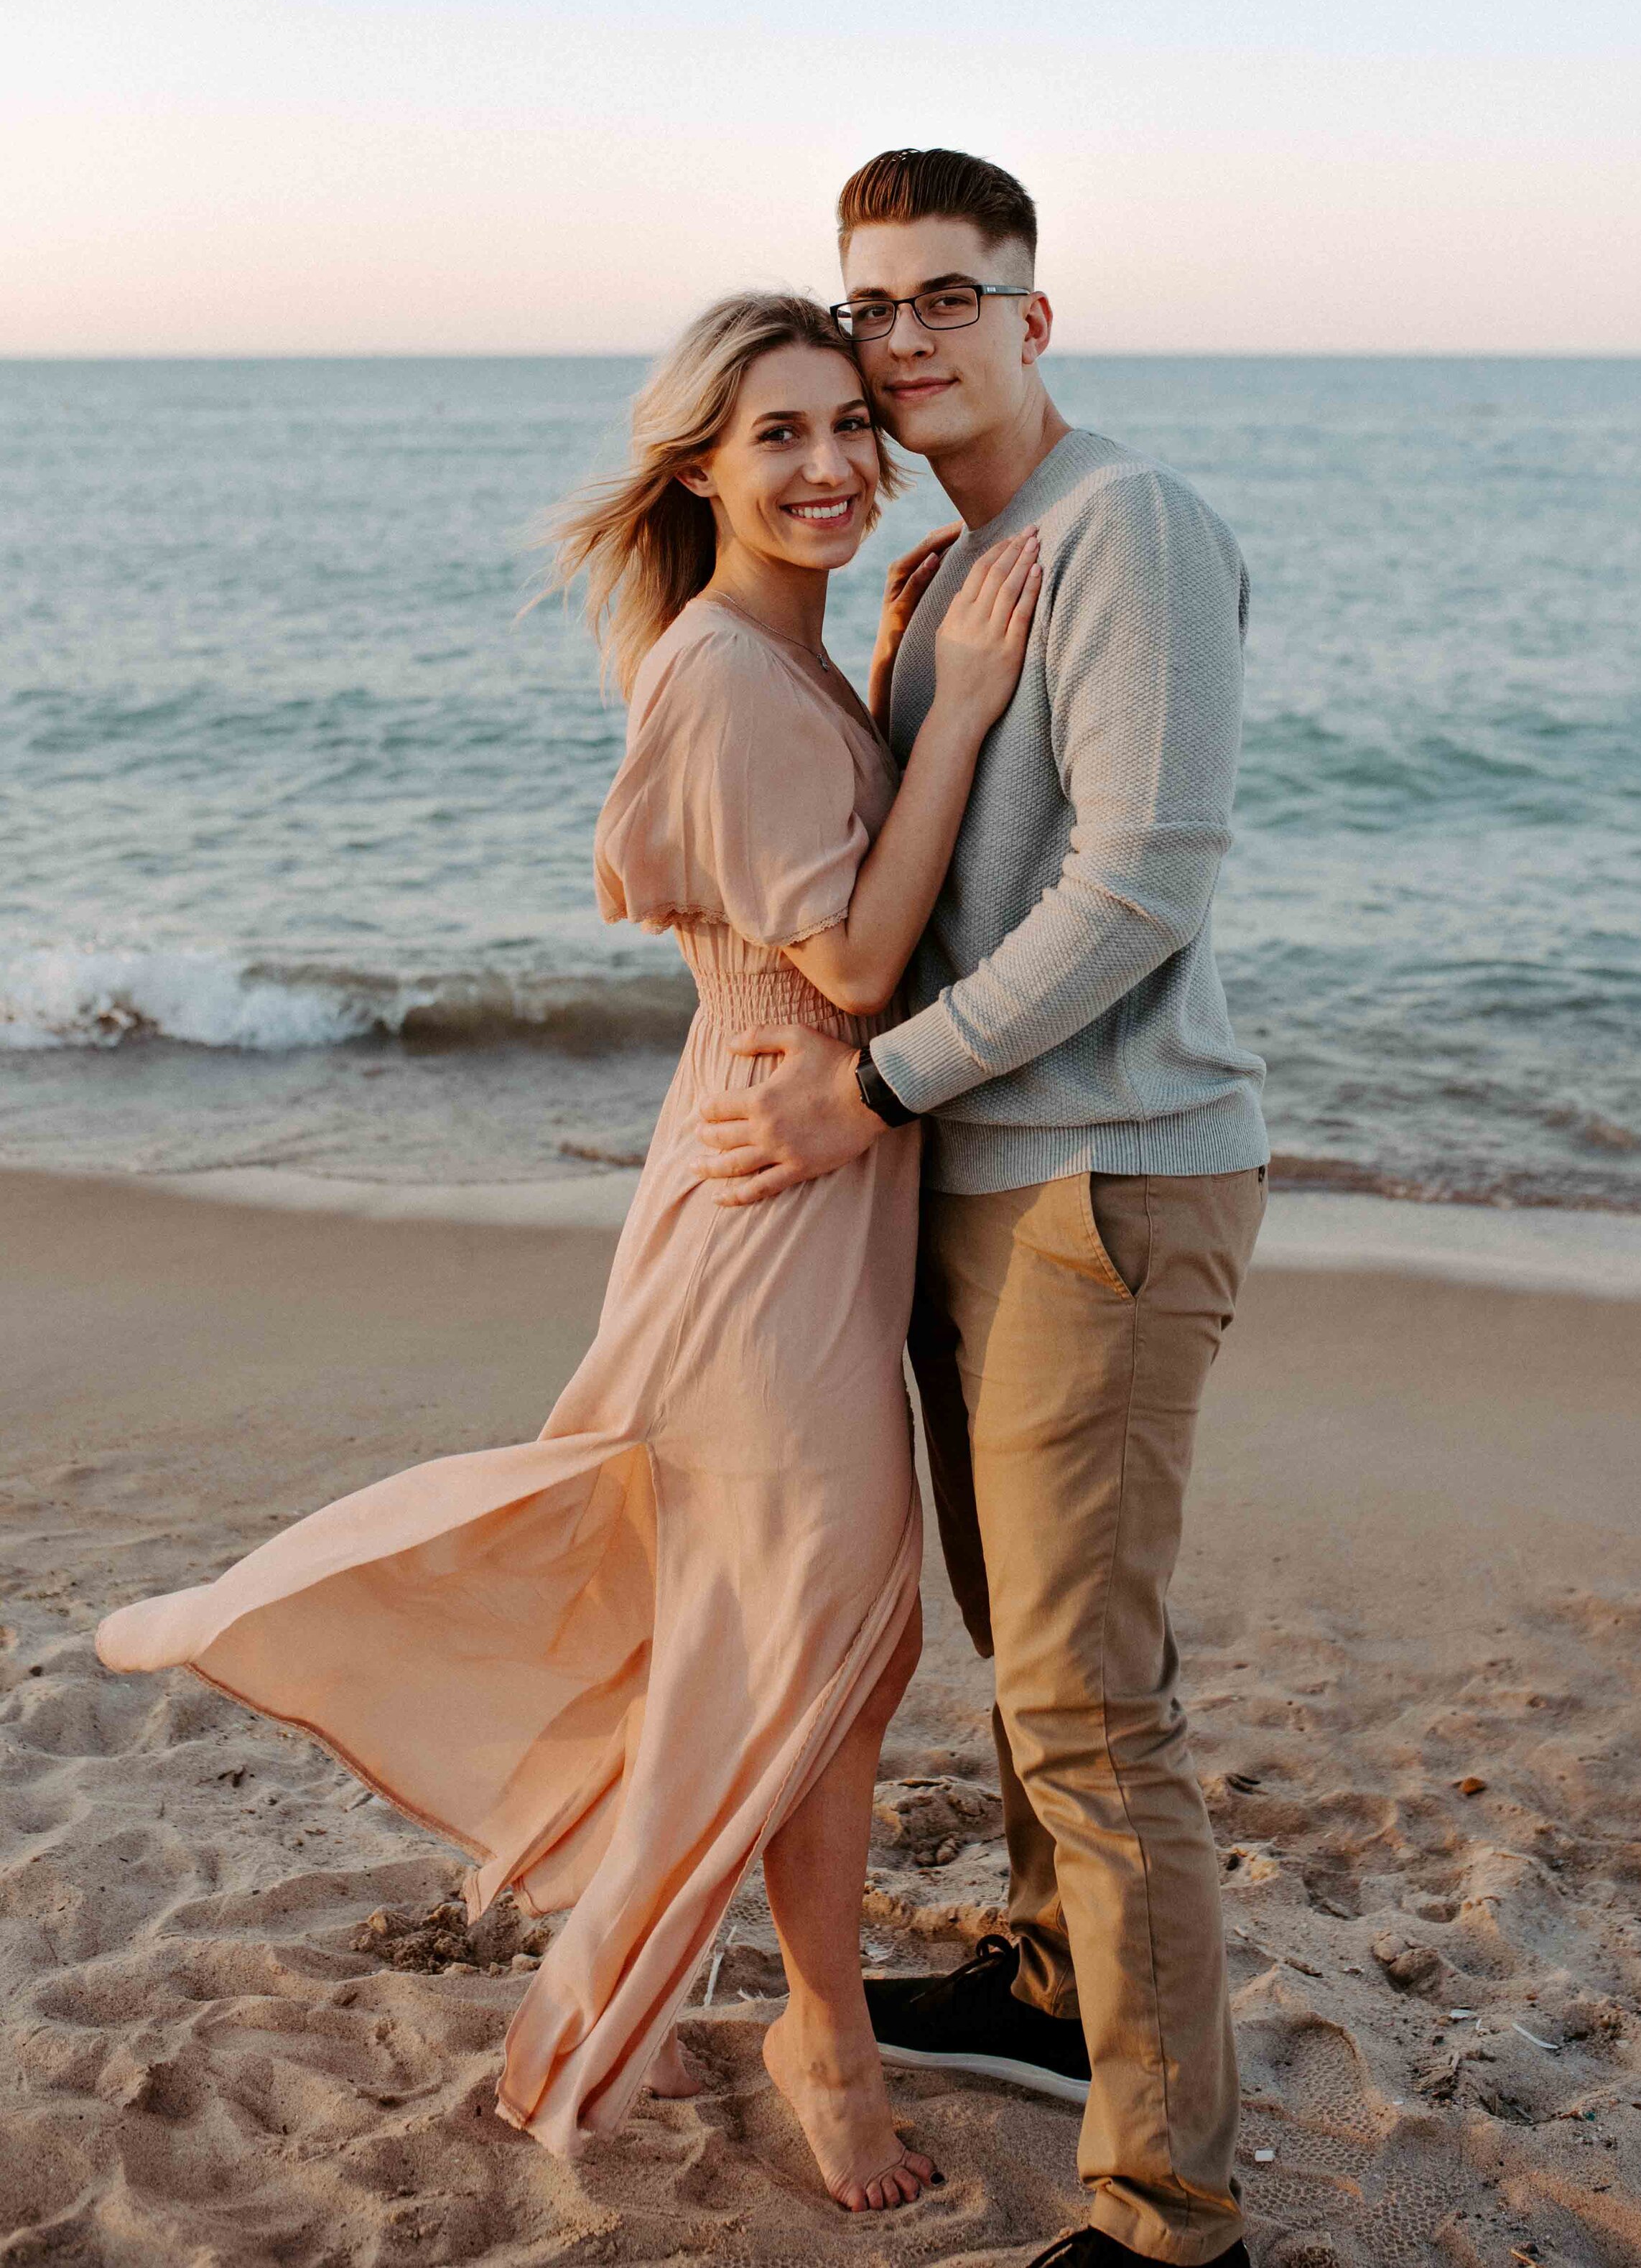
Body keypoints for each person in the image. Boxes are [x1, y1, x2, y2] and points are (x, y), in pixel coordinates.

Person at [94, 290, 1042, 2215]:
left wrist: (893, 670)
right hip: (771, 1206)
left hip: (813, 1180)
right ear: (695, 460)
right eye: (776, 431)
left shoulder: (778, 653)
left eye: (851, 421)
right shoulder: (710, 668)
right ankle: (824, 2037)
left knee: (833, 1643)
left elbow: (819, 882)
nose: (832, 462)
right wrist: (972, 707)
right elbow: (853, 962)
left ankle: (790, 1996)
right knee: (817, 1631)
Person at [694, 152, 1270, 2268]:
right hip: (974, 1181)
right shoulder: (960, 559)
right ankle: (1045, 1987)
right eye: (874, 306)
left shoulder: (1124, 529)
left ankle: (1169, 2215)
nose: (905, 337)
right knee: (1042, 1659)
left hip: (1105, 1181)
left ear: (1037, 319)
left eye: (952, 297)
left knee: (1097, 1707)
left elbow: (1138, 892)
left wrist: (872, 1087)